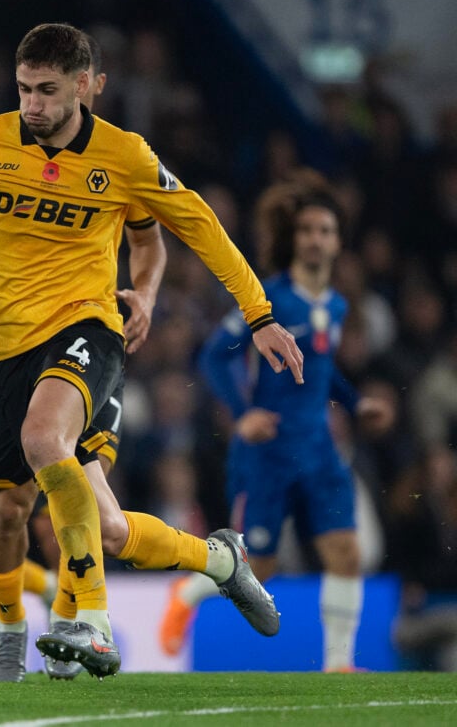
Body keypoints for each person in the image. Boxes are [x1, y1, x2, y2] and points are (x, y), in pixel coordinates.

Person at [0, 23, 303, 681]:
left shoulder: (125, 156)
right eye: (23, 90)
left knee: (45, 437)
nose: (32, 105)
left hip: (86, 330)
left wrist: (258, 312)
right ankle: (216, 560)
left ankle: (88, 619)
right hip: (8, 353)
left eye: (46, 91)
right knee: (69, 521)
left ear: (85, 87)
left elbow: (200, 226)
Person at [0, 34, 167, 681]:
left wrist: (144, 295)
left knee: (92, 515)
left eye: (45, 90)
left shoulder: (99, 176)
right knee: (4, 516)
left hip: (74, 357)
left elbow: (150, 239)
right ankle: (18, 620)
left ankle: (78, 621)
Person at [158, 175, 393, 671]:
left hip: (321, 452)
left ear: (337, 241)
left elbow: (321, 373)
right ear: (295, 238)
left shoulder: (336, 304)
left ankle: (338, 664)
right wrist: (243, 415)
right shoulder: (268, 299)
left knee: (346, 552)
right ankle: (187, 592)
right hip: (270, 452)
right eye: (307, 230)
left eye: (325, 231)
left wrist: (355, 405)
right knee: (254, 568)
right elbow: (214, 357)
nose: (316, 238)